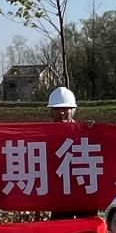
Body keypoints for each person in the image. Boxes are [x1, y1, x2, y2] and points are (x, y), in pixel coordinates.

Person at [46, 87, 85, 220]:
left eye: (65, 109)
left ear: (72, 110)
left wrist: (92, 130)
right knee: (59, 227)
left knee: (86, 227)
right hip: (59, 194)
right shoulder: (44, 136)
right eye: (57, 109)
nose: (61, 113)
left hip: (82, 192)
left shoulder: (84, 133)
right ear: (51, 112)